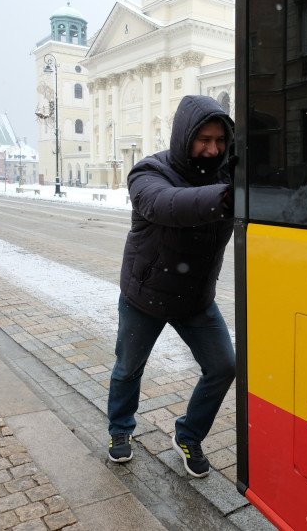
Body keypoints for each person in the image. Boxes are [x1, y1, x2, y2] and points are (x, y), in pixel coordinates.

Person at [107, 95, 236, 478]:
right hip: (144, 295)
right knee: (129, 367)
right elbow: (168, 204)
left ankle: (189, 435)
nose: (212, 150)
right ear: (185, 136)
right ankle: (119, 430)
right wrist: (230, 197)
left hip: (196, 298)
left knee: (224, 367)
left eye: (220, 141)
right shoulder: (148, 173)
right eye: (204, 140)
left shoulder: (226, 173)